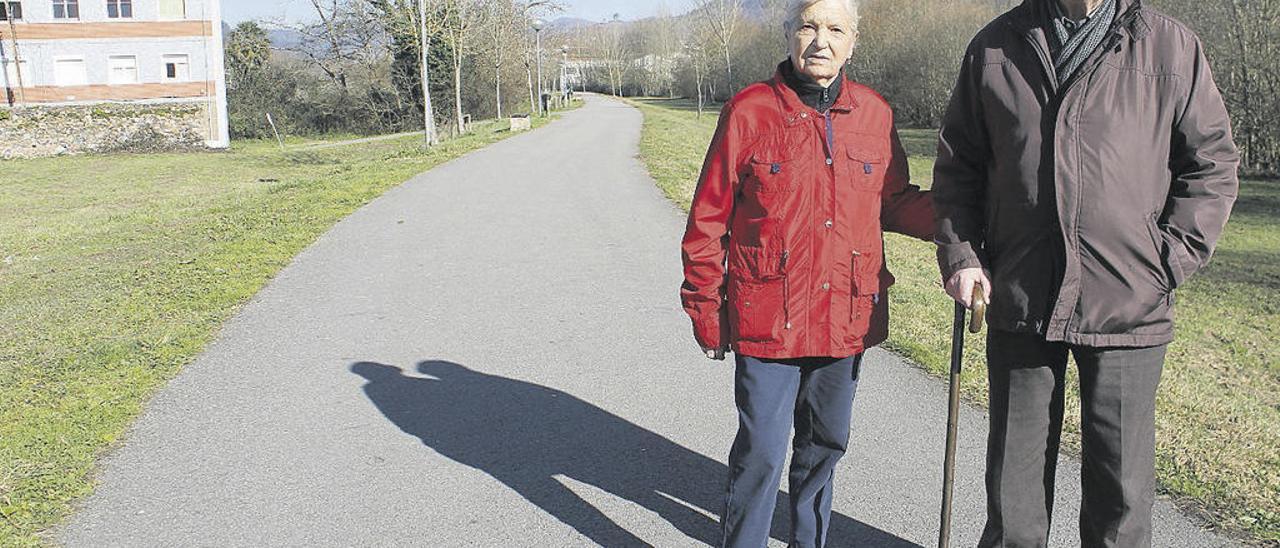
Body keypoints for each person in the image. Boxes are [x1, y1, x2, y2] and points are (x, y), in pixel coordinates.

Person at [932, 0, 1239, 545]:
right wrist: (963, 256)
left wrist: (1167, 260)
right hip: (1020, 292)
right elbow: (959, 169)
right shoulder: (994, 46)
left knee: (1120, 497)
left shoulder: (1170, 46)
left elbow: (1211, 165)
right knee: (1013, 489)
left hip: (1128, 300)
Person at [679, 0, 934, 545]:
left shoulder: (875, 114)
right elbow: (708, 219)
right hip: (768, 319)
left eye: (835, 29)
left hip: (845, 318)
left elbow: (895, 203)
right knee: (763, 452)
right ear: (790, 35)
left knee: (824, 449)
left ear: (853, 41)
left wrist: (969, 218)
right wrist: (705, 308)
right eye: (809, 26)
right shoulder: (749, 111)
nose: (821, 40)